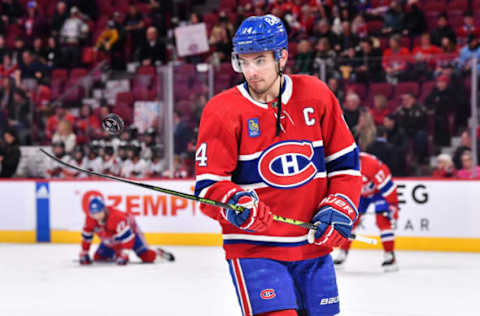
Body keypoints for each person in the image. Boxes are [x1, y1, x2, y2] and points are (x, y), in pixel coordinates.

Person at [194, 15, 361, 316]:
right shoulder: (222, 111)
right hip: (255, 250)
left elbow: (346, 165)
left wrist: (340, 206)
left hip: (313, 246)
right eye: (243, 62)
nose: (251, 71)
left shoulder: (316, 94)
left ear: (282, 56)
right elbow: (207, 187)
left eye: (259, 60)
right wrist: (235, 202)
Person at [334, 152, 399, 272]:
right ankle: (343, 252)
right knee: (349, 221)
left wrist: (393, 206)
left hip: (379, 193)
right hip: (360, 195)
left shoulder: (371, 165)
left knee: (383, 221)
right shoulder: (340, 165)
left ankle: (390, 255)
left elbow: (388, 188)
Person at [79, 196, 158, 265]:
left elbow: (128, 237)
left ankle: (158, 252)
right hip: (111, 240)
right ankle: (116, 253)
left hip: (131, 235)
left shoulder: (116, 217)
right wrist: (84, 251)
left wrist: (125, 254)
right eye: (93, 213)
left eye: (99, 212)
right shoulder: (90, 219)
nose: (96, 216)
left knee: (149, 257)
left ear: (104, 209)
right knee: (98, 258)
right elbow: (87, 237)